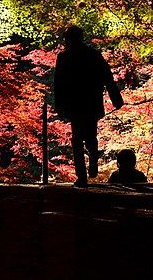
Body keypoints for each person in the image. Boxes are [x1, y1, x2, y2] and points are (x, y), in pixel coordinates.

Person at [54, 25, 123, 187]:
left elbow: (59, 84)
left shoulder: (64, 57)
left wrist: (60, 106)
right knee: (88, 136)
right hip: (91, 101)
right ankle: (90, 165)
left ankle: (83, 175)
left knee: (78, 138)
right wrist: (116, 98)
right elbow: (108, 77)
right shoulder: (93, 55)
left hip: (75, 103)